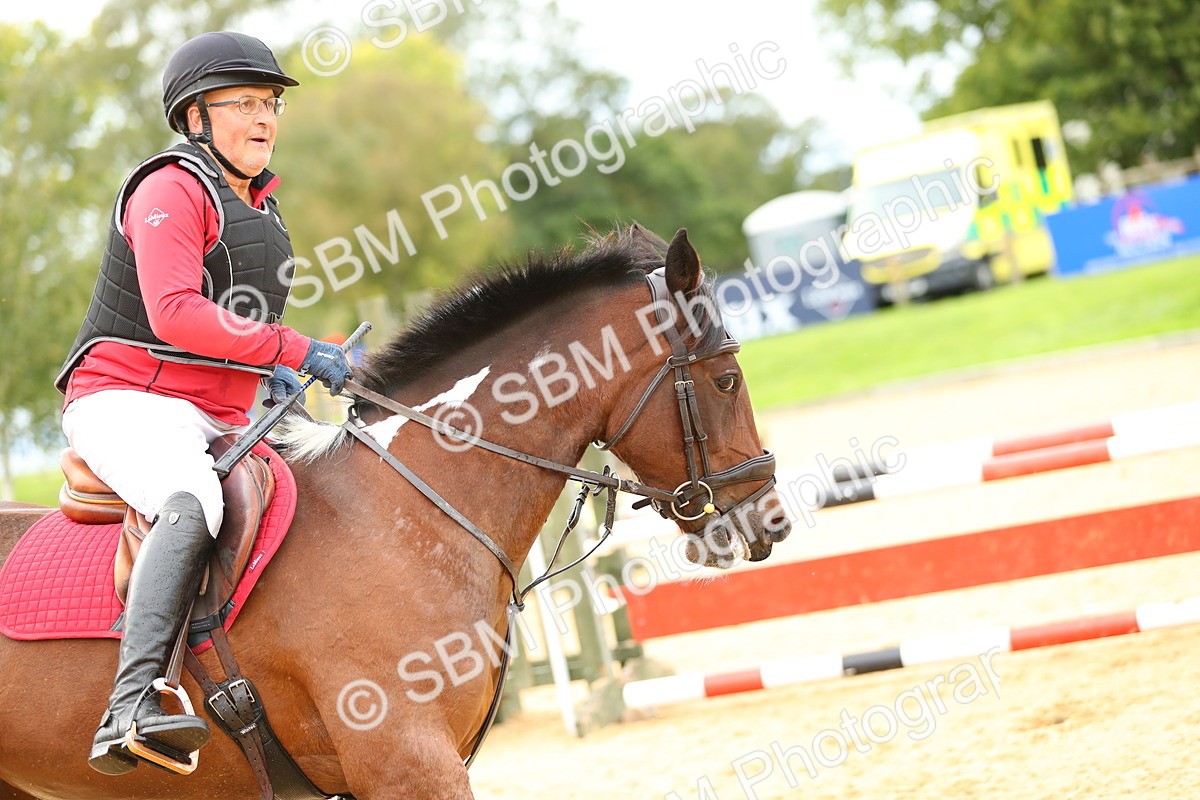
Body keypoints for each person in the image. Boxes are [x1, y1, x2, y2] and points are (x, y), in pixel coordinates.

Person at [54, 31, 353, 775]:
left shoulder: (260, 205)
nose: (264, 119)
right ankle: (131, 704)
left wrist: (276, 379)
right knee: (194, 499)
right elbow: (176, 316)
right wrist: (294, 351)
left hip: (218, 409)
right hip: (125, 397)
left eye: (272, 103)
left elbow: (236, 330)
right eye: (245, 103)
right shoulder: (170, 188)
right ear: (195, 118)